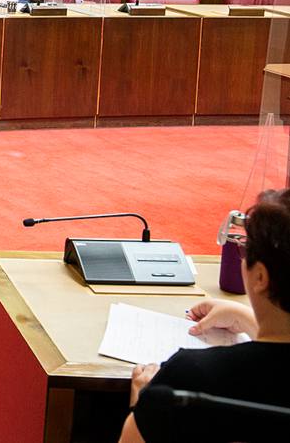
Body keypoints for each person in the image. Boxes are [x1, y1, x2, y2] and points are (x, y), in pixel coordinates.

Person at [120, 188, 290, 443]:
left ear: (260, 277)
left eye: (245, 251)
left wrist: (145, 403)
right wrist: (248, 319)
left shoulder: (190, 378)